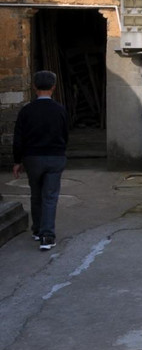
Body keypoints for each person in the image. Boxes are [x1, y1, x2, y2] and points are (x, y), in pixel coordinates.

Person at [12, 70, 69, 251]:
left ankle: (37, 230)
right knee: (50, 197)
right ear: (53, 87)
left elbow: (18, 138)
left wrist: (17, 161)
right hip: (55, 157)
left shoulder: (26, 111)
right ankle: (47, 235)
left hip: (32, 158)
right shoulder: (60, 110)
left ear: (34, 87)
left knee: (36, 194)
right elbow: (65, 134)